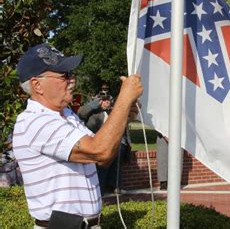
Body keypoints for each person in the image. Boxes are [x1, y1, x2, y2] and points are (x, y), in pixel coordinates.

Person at [12, 43, 142, 228]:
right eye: (64, 75)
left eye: (71, 74)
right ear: (37, 84)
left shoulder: (68, 116)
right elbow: (100, 151)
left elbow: (102, 156)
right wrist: (124, 99)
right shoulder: (35, 122)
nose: (72, 80)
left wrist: (123, 116)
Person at [78, 91, 131, 195]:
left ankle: (116, 186)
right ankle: (100, 188)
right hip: (96, 142)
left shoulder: (113, 111)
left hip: (115, 142)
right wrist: (93, 105)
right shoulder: (93, 111)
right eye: (103, 100)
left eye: (108, 100)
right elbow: (81, 113)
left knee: (119, 152)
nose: (106, 103)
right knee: (102, 161)